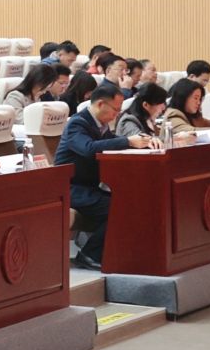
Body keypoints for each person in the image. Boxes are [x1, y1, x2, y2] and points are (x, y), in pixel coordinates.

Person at [57, 82, 152, 270]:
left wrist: (144, 142)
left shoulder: (100, 125)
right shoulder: (77, 123)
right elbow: (88, 148)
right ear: (101, 104)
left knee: (130, 201)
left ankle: (114, 253)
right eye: (115, 110)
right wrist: (127, 141)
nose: (117, 114)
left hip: (87, 188)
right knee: (119, 207)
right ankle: (89, 255)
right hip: (69, 187)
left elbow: (109, 143)